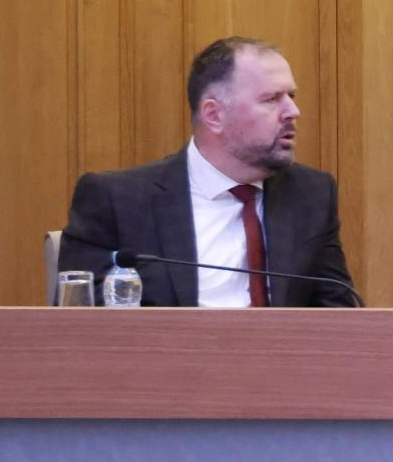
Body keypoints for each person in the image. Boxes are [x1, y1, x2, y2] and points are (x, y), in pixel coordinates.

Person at [59, 36, 354, 306]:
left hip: (282, 349)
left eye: (292, 97)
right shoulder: (118, 201)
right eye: (271, 99)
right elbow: (81, 322)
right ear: (214, 115)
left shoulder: (312, 194)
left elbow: (336, 312)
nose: (292, 112)